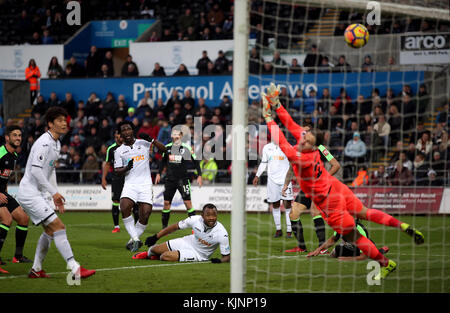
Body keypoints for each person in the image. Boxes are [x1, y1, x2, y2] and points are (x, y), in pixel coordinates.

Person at [262, 83, 424, 280]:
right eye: (304, 137)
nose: (303, 139)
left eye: (307, 140)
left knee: (355, 238)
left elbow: (281, 141)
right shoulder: (309, 147)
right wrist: (276, 104)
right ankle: (402, 226)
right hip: (337, 188)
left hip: (331, 204)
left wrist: (268, 117)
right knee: (365, 212)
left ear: (313, 147)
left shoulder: (302, 158)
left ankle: (386, 263)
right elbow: (290, 123)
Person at [16, 107, 96, 279]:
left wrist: (56, 195)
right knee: (59, 227)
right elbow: (36, 171)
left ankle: (36, 270)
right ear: (50, 124)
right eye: (59, 120)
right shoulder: (44, 143)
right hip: (30, 193)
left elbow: (50, 171)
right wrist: (53, 193)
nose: (63, 123)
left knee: (51, 231)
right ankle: (75, 269)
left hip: (38, 193)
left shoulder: (57, 143)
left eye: (64, 120)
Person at [114, 121, 166, 252]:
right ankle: (136, 240)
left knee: (145, 214)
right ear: (120, 135)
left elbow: (164, 149)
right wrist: (126, 167)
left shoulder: (143, 143)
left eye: (128, 129)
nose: (126, 132)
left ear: (133, 130)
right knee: (124, 207)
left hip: (145, 185)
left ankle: (132, 240)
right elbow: (117, 171)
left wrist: (151, 139)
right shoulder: (119, 151)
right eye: (123, 130)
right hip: (130, 184)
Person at [282, 142, 341, 253]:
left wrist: (324, 178)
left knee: (315, 211)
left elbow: (336, 165)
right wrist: (285, 184)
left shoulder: (321, 148)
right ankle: (301, 247)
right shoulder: (298, 149)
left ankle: (322, 249)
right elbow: (291, 169)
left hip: (320, 186)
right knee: (293, 214)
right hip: (307, 187)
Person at [133, 203, 230, 264]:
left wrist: (220, 261)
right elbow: (175, 227)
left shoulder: (222, 233)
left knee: (165, 256)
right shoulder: (194, 220)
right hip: (187, 241)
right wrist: (156, 237)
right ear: (202, 216)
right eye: (208, 215)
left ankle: (157, 257)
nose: (211, 218)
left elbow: (226, 257)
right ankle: (149, 254)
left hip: (197, 254)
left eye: (214, 215)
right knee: (154, 249)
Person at [0, 126, 32, 274]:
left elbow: (4, 178)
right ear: (7, 138)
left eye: (20, 135)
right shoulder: (1, 152)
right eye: (14, 135)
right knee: (7, 219)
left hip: (3, 192)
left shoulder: (13, 156)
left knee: (23, 218)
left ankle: (18, 256)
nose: (18, 138)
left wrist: (5, 191)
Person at [155, 128, 203, 229]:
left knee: (188, 203)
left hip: (183, 180)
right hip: (170, 180)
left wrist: (199, 175)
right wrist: (159, 173)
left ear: (181, 136)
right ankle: (164, 228)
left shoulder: (186, 148)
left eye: (177, 134)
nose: (175, 136)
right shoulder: (167, 148)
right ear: (171, 136)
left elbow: (196, 161)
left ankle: (195, 228)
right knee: (166, 204)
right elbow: (163, 162)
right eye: (174, 134)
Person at [253, 139, 294, 238]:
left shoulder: (288, 146)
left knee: (287, 204)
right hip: (272, 181)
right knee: (275, 204)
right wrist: (257, 175)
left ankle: (289, 230)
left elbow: (293, 163)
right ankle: (278, 229)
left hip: (286, 180)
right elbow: (263, 163)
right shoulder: (267, 147)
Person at [308, 219, 389, 261]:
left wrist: (349, 259)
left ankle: (379, 251)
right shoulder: (340, 225)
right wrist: (318, 250)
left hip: (362, 249)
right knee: (334, 253)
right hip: (350, 247)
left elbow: (364, 255)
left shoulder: (359, 230)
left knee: (370, 255)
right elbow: (333, 239)